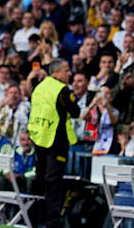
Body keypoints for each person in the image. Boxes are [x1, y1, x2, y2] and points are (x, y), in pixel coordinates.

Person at [27, 59, 79, 228]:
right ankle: (52, 221)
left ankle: (32, 218)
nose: (69, 73)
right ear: (56, 73)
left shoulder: (39, 88)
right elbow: (75, 111)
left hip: (39, 138)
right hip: (56, 141)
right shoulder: (61, 89)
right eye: (66, 70)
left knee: (39, 178)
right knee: (53, 181)